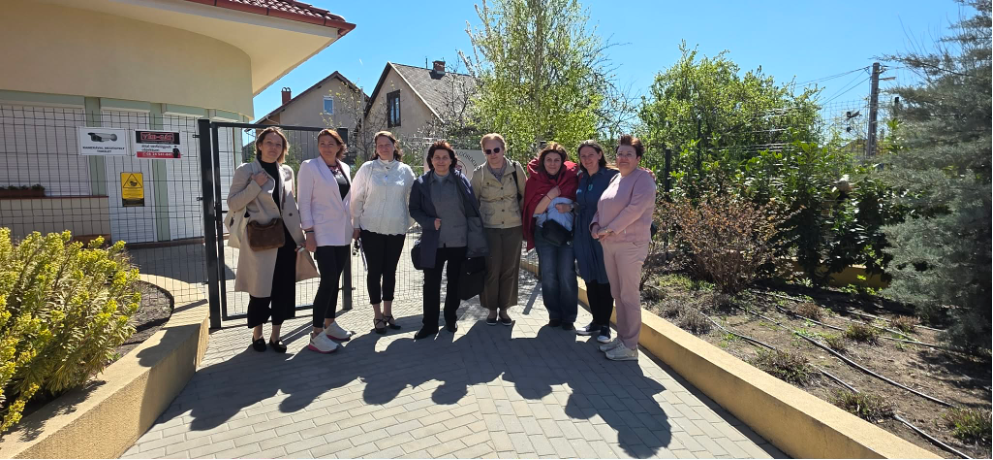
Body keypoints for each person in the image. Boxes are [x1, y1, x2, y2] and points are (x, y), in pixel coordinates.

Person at [227, 127, 305, 353]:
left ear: (283, 149)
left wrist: (300, 236)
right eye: (269, 142)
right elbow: (233, 203)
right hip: (260, 238)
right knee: (260, 290)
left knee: (283, 290)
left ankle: (276, 336)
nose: (273, 147)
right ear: (259, 145)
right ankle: (257, 334)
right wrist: (255, 185)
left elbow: (290, 206)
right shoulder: (246, 170)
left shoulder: (287, 171)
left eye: (278, 144)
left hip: (286, 239)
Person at [409, 141, 487, 340]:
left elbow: (472, 209)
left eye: (445, 157)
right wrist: (429, 222)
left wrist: (475, 238)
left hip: (458, 241)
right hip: (433, 242)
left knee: (455, 282)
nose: (441, 161)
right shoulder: (421, 183)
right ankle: (429, 325)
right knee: (431, 284)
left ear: (452, 160)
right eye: (437, 157)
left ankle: (450, 319)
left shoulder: (461, 181)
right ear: (431, 160)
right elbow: (414, 209)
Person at [592, 135, 658, 361]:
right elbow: (602, 206)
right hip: (610, 243)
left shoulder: (644, 180)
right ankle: (622, 339)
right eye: (620, 153)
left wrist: (609, 229)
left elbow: (635, 210)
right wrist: (595, 225)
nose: (623, 158)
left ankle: (630, 346)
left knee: (628, 296)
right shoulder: (616, 179)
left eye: (629, 154)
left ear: (638, 158)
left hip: (630, 244)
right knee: (617, 294)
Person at [350, 131, 416, 334]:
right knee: (374, 272)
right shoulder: (367, 169)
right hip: (371, 229)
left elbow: (413, 198)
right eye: (379, 145)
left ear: (394, 146)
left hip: (396, 230)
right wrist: (356, 224)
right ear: (376, 148)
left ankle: (388, 312)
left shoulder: (405, 171)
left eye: (387, 144)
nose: (383, 148)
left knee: (390, 272)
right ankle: (377, 315)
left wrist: (407, 222)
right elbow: (356, 197)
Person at [298, 129, 356, 354]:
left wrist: (355, 225)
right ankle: (316, 333)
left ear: (339, 146)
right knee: (328, 279)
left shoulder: (345, 168)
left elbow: (347, 200)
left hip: (342, 232)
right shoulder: (309, 167)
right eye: (322, 143)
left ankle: (330, 324)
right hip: (321, 233)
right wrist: (309, 231)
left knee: (335, 279)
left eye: (331, 143)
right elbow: (303, 201)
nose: (326, 147)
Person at [523, 142, 580, 331]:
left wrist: (569, 207)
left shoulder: (573, 179)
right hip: (545, 234)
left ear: (563, 162)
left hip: (567, 234)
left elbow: (581, 204)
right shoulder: (535, 181)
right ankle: (554, 315)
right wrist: (550, 195)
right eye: (549, 160)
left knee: (566, 274)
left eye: (557, 160)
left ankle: (569, 317)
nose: (552, 163)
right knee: (548, 275)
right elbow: (534, 212)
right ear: (543, 161)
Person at [471, 133, 526, 326]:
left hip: (513, 227)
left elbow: (525, 195)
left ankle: (504, 309)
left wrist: (519, 216)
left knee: (509, 269)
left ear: (503, 149)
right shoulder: (479, 174)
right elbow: (473, 202)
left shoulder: (516, 169)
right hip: (489, 228)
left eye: (496, 149)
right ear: (484, 152)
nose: (493, 154)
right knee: (491, 270)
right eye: (488, 151)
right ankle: (491, 309)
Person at [573, 141, 619, 344]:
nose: (587, 159)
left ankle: (605, 326)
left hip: (602, 233)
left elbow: (634, 180)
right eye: (583, 156)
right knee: (589, 278)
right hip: (582, 234)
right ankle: (595, 321)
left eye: (590, 154)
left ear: (599, 155)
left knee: (604, 278)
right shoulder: (581, 177)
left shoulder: (612, 176)